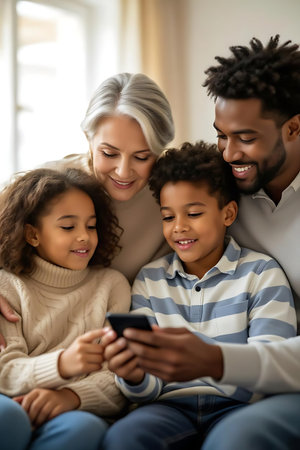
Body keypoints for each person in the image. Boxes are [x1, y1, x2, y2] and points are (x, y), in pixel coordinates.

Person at [105, 36, 300, 450]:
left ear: (293, 128)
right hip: (171, 405)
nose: (228, 154)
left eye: (244, 137)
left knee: (237, 438)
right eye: (220, 136)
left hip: (256, 395)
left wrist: (214, 359)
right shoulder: (229, 183)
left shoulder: (260, 271)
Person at [0, 71, 175, 346]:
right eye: (109, 153)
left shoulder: (172, 195)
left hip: (109, 347)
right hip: (35, 341)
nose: (123, 171)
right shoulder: (49, 186)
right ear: (88, 138)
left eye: (142, 157)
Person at [0, 168, 131, 450]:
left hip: (74, 408)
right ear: (32, 235)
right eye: (68, 227)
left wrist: (70, 396)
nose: (84, 236)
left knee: (85, 429)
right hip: (11, 401)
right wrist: (62, 364)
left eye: (91, 225)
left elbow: (117, 377)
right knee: (7, 417)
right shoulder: (7, 287)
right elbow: (5, 371)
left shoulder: (111, 285)